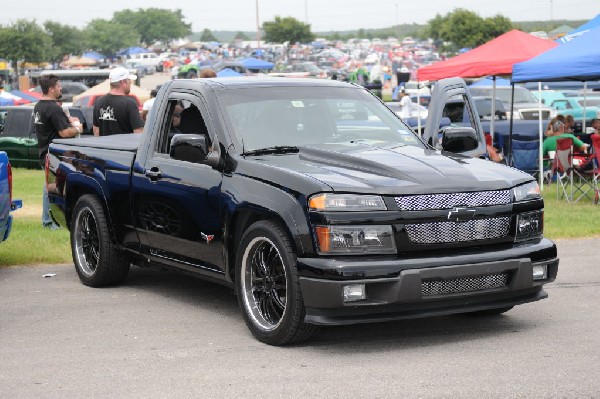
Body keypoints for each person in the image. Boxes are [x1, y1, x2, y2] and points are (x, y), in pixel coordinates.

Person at [33, 74, 83, 229]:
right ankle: (50, 222)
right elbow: (64, 133)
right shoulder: (53, 108)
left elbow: (53, 126)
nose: (61, 88)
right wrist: (77, 128)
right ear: (51, 89)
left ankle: (48, 220)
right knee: (53, 187)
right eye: (59, 86)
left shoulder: (39, 106)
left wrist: (67, 120)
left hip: (44, 151)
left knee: (48, 186)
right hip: (53, 154)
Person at [93, 67, 144, 136]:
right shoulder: (129, 104)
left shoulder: (99, 102)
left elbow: (96, 131)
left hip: (104, 146)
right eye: (129, 80)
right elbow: (138, 132)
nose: (130, 84)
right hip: (124, 146)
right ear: (123, 82)